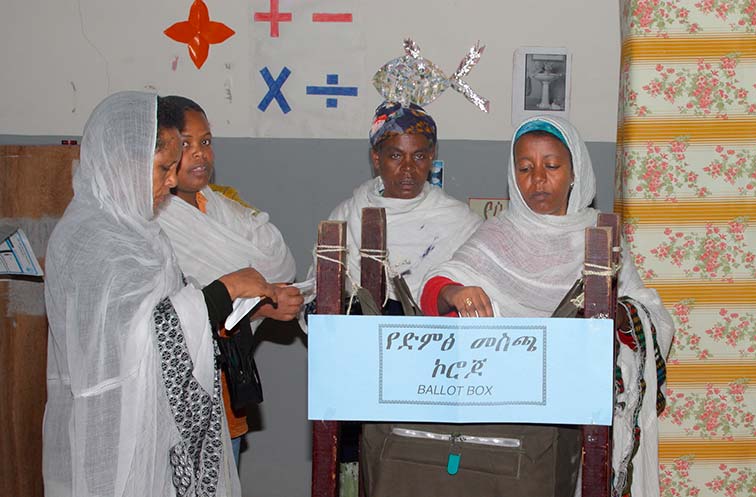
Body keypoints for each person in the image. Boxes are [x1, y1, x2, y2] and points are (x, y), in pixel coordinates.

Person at [362, 116, 675, 497]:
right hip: (510, 426)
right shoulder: (498, 234)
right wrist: (455, 294)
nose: (537, 179)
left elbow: (645, 309)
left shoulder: (600, 236)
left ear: (575, 171)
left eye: (551, 166)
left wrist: (621, 321)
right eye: (524, 168)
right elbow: (435, 287)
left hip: (580, 410)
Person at [43, 91, 278, 497]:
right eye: (163, 168)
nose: (171, 181)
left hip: (159, 433)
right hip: (115, 433)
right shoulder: (93, 238)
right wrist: (225, 290)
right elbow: (139, 339)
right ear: (125, 165)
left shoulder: (141, 230)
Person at [156, 96, 302, 467]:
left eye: (206, 142)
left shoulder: (219, 205)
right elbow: (174, 319)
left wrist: (258, 306)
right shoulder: (154, 219)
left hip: (225, 388)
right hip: (175, 398)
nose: (200, 155)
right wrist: (259, 303)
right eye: (185, 144)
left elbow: (278, 262)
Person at [305, 101, 482, 313]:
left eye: (419, 156)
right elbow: (320, 296)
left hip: (436, 344)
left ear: (431, 157)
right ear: (377, 158)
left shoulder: (460, 222)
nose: (408, 168)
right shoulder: (347, 218)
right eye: (396, 156)